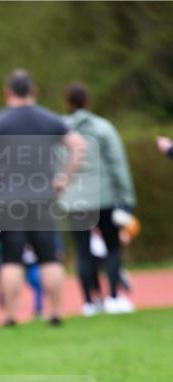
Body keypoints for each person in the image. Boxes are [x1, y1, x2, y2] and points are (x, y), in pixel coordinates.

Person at [0, 69, 83, 327]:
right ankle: (55, 313)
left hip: (10, 200)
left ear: (7, 92)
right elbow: (78, 145)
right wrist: (64, 179)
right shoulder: (50, 120)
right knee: (49, 257)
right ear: (34, 90)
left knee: (12, 258)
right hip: (44, 197)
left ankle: (11, 316)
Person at [63, 84, 137, 314]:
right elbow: (118, 164)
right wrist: (127, 198)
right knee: (113, 246)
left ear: (67, 103)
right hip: (104, 197)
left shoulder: (60, 130)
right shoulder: (104, 128)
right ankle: (114, 297)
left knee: (83, 251)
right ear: (89, 101)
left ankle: (89, 302)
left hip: (74, 199)